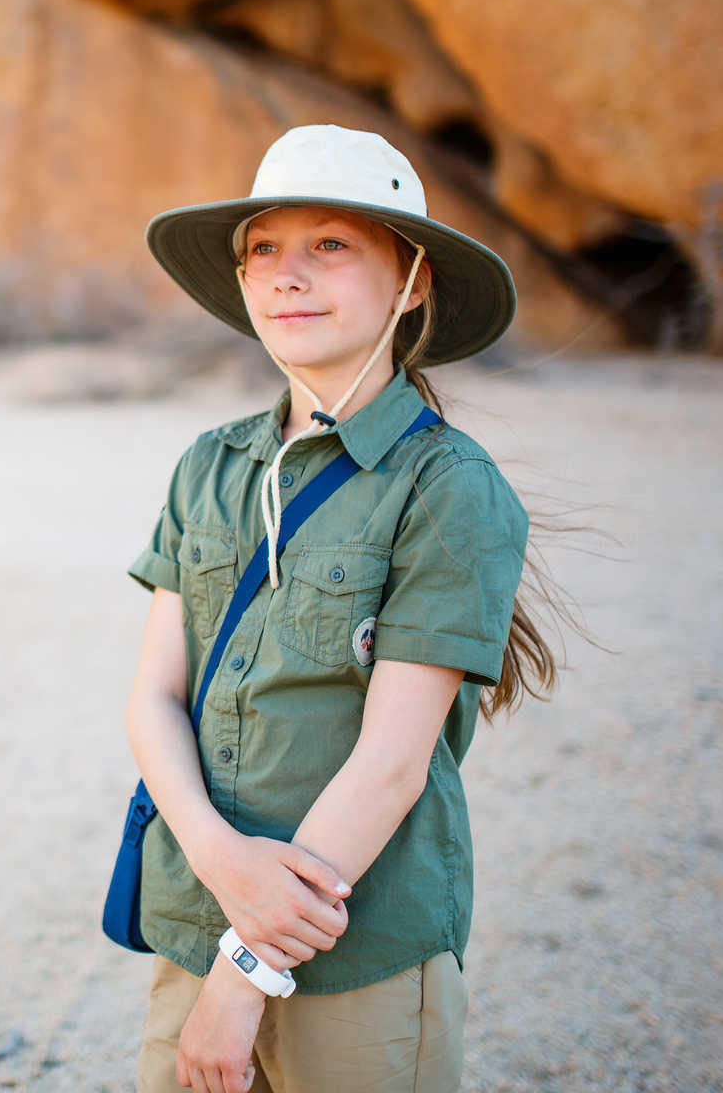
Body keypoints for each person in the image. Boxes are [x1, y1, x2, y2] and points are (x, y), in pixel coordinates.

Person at [123, 124, 563, 1093]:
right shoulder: (210, 466)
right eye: (264, 250)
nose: (288, 275)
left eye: (331, 245)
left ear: (412, 283)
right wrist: (220, 859)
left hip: (355, 950)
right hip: (198, 918)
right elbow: (155, 696)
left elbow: (394, 763)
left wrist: (247, 971)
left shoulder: (448, 487)